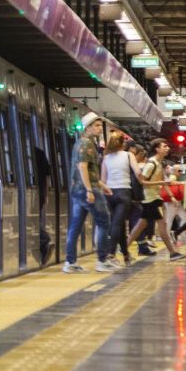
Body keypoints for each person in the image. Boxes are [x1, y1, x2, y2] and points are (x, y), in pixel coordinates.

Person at [64, 112, 115, 273]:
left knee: (76, 226)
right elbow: (82, 167)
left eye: (100, 125)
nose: (100, 128)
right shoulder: (87, 144)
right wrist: (90, 189)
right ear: (88, 128)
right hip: (87, 190)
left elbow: (88, 170)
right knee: (104, 221)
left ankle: (70, 263)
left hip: (79, 190)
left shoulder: (81, 143)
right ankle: (102, 260)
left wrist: (102, 184)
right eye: (97, 126)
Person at [126, 139, 186, 262]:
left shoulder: (159, 163)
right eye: (164, 146)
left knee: (140, 226)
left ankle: (124, 248)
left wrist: (171, 196)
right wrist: (160, 183)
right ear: (157, 149)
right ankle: (172, 253)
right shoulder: (151, 164)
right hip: (150, 199)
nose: (167, 148)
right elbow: (142, 181)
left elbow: (163, 182)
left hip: (154, 199)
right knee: (162, 226)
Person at [101, 133, 136, 267]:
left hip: (109, 192)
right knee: (117, 224)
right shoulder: (128, 155)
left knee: (119, 224)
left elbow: (103, 179)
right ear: (124, 144)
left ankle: (126, 255)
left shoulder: (106, 158)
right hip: (124, 192)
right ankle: (111, 254)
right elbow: (138, 172)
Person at [128, 142, 156, 256]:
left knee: (137, 223)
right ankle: (132, 247)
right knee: (139, 222)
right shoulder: (134, 166)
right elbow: (138, 180)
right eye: (141, 155)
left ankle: (141, 247)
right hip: (133, 198)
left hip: (130, 198)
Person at [34, 146, 55, 266]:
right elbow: (48, 176)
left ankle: (45, 241)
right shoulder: (39, 152)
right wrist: (45, 194)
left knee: (32, 221)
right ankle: (45, 242)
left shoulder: (37, 152)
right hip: (40, 192)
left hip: (39, 193)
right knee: (35, 220)